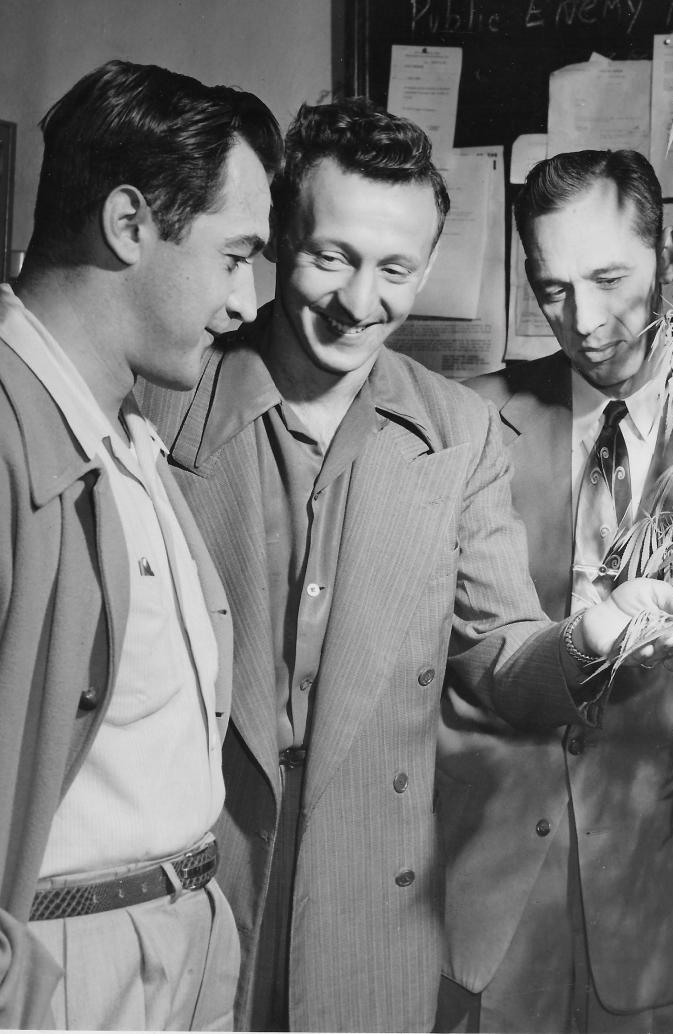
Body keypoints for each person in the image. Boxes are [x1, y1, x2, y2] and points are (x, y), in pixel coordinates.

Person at [138, 102, 673, 1033]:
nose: (361, 303)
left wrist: (587, 640)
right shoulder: (162, 403)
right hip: (189, 899)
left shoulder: (455, 433)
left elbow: (499, 654)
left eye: (396, 269)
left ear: (431, 267)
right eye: (332, 258)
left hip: (376, 919)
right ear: (280, 237)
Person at [435, 149, 673, 1034]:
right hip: (493, 907)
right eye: (554, 288)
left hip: (669, 906)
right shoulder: (468, 420)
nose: (587, 321)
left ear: (668, 255)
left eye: (610, 278)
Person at [0, 60, 280, 1029]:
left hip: (180, 940)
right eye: (234, 255)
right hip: (69, 963)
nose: (250, 301)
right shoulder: (10, 430)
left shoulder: (121, 430)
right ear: (129, 225)